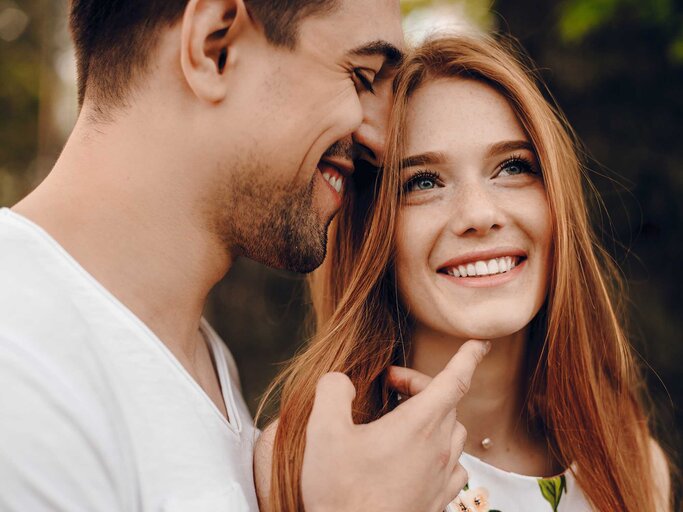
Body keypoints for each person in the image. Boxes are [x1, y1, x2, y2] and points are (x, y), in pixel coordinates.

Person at [0, 1, 491, 511]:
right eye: (362, 77)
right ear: (216, 46)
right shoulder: (20, 367)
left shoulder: (200, 363)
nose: (382, 142)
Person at [255, 34, 673, 512]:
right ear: (372, 229)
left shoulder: (629, 464)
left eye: (513, 166)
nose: (479, 213)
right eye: (424, 181)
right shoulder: (306, 460)